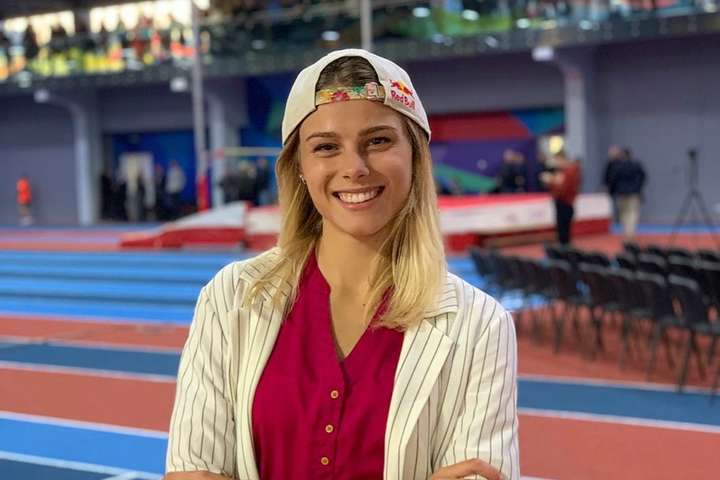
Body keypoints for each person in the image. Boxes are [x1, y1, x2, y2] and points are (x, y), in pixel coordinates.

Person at [165, 49, 518, 480]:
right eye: (327, 147)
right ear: (299, 167)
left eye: (378, 141)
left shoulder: (479, 325)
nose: (355, 168)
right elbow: (192, 470)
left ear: (415, 155)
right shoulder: (231, 298)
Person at [542, 150, 581, 244]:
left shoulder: (570, 171)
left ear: (562, 159)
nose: (555, 163)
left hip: (566, 203)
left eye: (557, 160)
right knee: (560, 230)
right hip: (560, 202)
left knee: (564, 231)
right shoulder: (561, 172)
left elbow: (563, 190)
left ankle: (565, 250)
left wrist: (552, 182)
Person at [608, 147, 646, 238]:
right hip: (633, 193)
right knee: (632, 213)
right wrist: (638, 189)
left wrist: (611, 192)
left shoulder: (617, 167)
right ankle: (630, 233)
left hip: (621, 193)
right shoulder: (636, 165)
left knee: (623, 214)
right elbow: (642, 178)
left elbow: (612, 180)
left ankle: (626, 232)